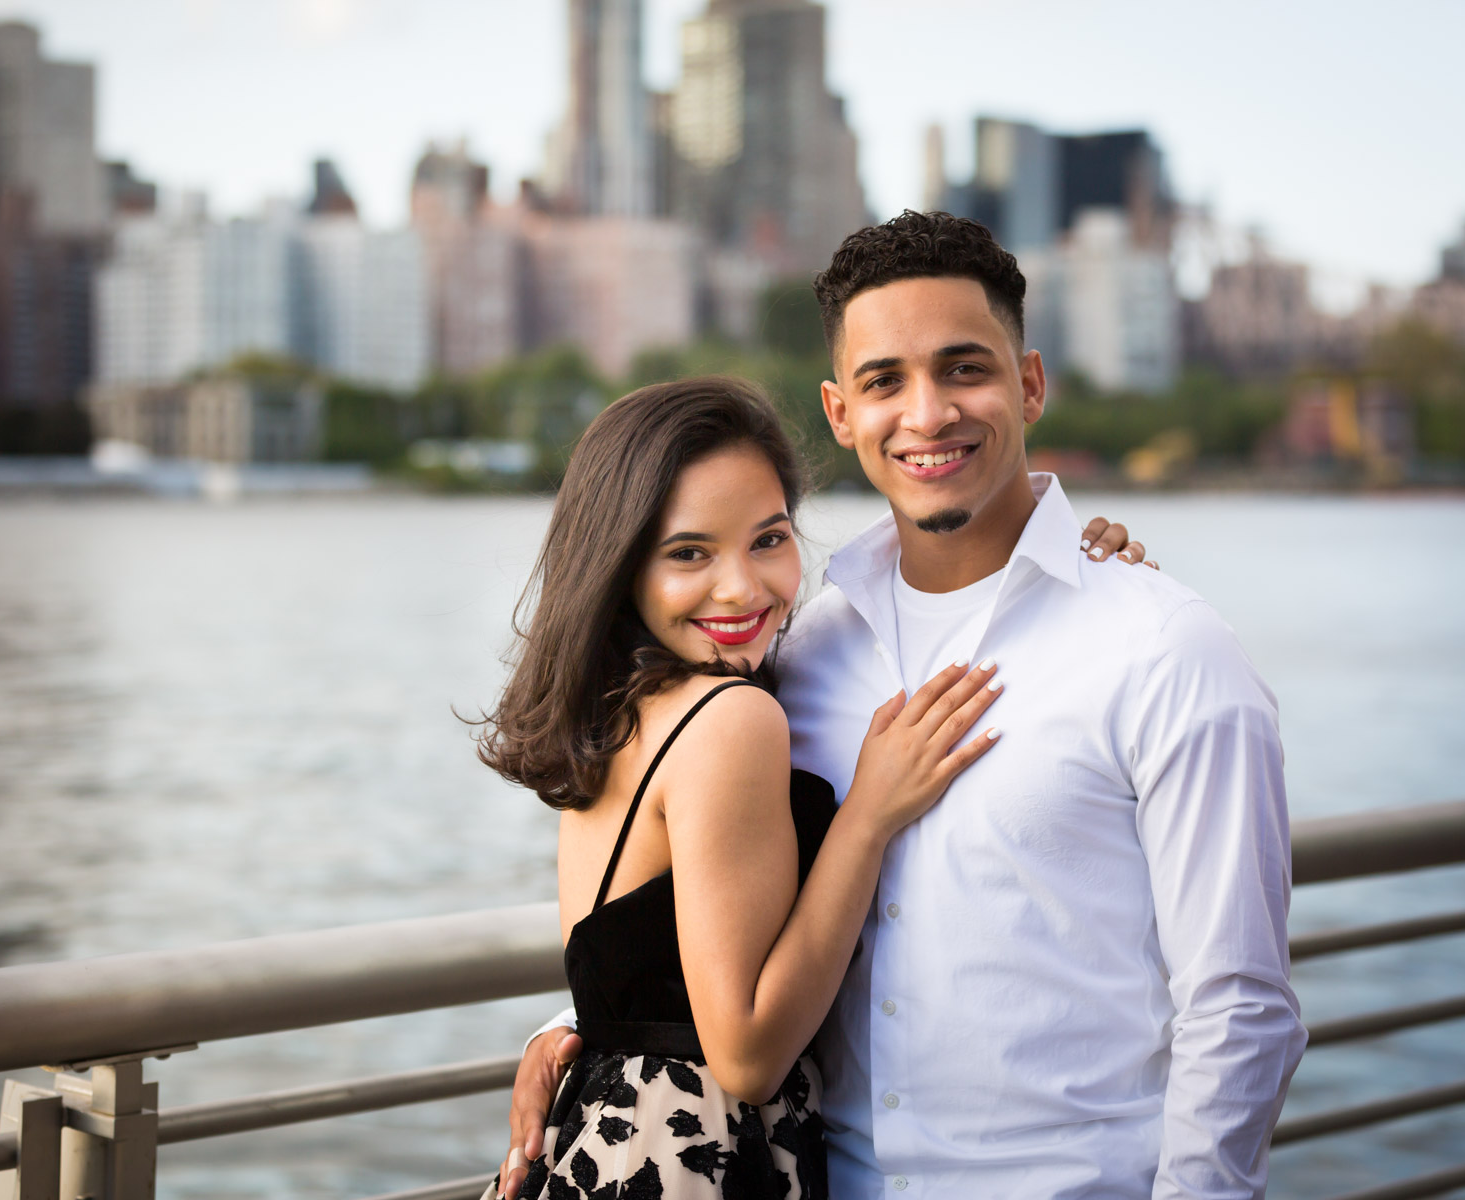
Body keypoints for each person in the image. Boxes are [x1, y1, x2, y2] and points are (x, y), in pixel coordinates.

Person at [502, 212, 1305, 1200]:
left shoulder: (1163, 648)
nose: (927, 414)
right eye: (886, 380)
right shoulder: (793, 654)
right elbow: (703, 893)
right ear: (842, 413)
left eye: (965, 368)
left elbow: (1239, 1007)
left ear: (1031, 384)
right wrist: (577, 1025)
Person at [477, 376, 1147, 1199]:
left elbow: (644, 957)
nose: (743, 588)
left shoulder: (625, 708)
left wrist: (1073, 555)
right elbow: (750, 1058)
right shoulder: (729, 717)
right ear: (620, 565)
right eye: (689, 553)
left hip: (606, 1138)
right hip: (691, 1158)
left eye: (768, 539)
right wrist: (868, 815)